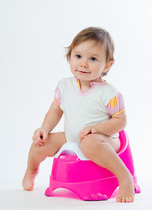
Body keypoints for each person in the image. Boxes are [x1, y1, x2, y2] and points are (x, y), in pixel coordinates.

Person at [22, 27, 135, 203]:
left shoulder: (109, 93)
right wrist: (45, 128)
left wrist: (97, 129)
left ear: (107, 65)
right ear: (70, 57)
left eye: (92, 59)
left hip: (104, 140)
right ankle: (31, 170)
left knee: (90, 143)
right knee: (39, 144)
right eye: (78, 56)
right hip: (71, 137)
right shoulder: (65, 86)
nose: (83, 64)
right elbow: (55, 110)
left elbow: (121, 121)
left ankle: (124, 177)